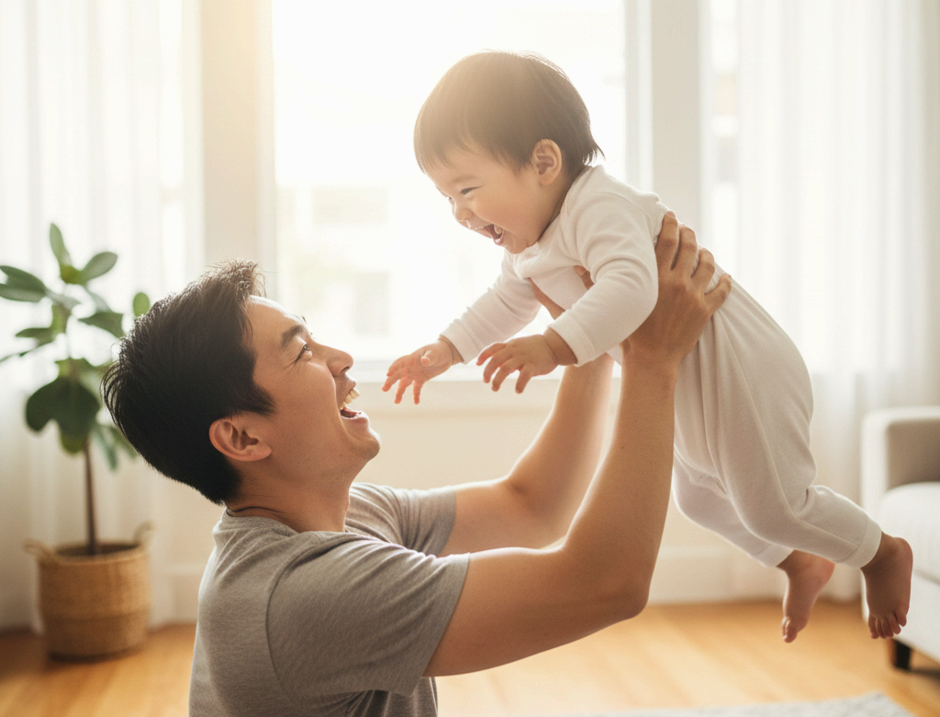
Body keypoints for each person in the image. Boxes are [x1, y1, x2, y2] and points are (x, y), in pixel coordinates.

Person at [382, 50, 912, 644]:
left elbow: (633, 288)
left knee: (775, 507)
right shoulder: (529, 246)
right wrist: (447, 349)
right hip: (690, 386)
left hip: (746, 373)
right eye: (447, 198)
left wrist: (553, 347)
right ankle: (799, 561)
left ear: (544, 162)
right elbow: (503, 301)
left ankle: (881, 553)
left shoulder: (596, 206)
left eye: (468, 189)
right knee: (699, 500)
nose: (460, 213)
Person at [101, 216, 728, 716]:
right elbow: (607, 584)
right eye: (302, 354)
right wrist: (653, 361)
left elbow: (532, 506)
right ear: (241, 437)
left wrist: (585, 337)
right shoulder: (304, 596)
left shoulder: (343, 516)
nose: (341, 358)